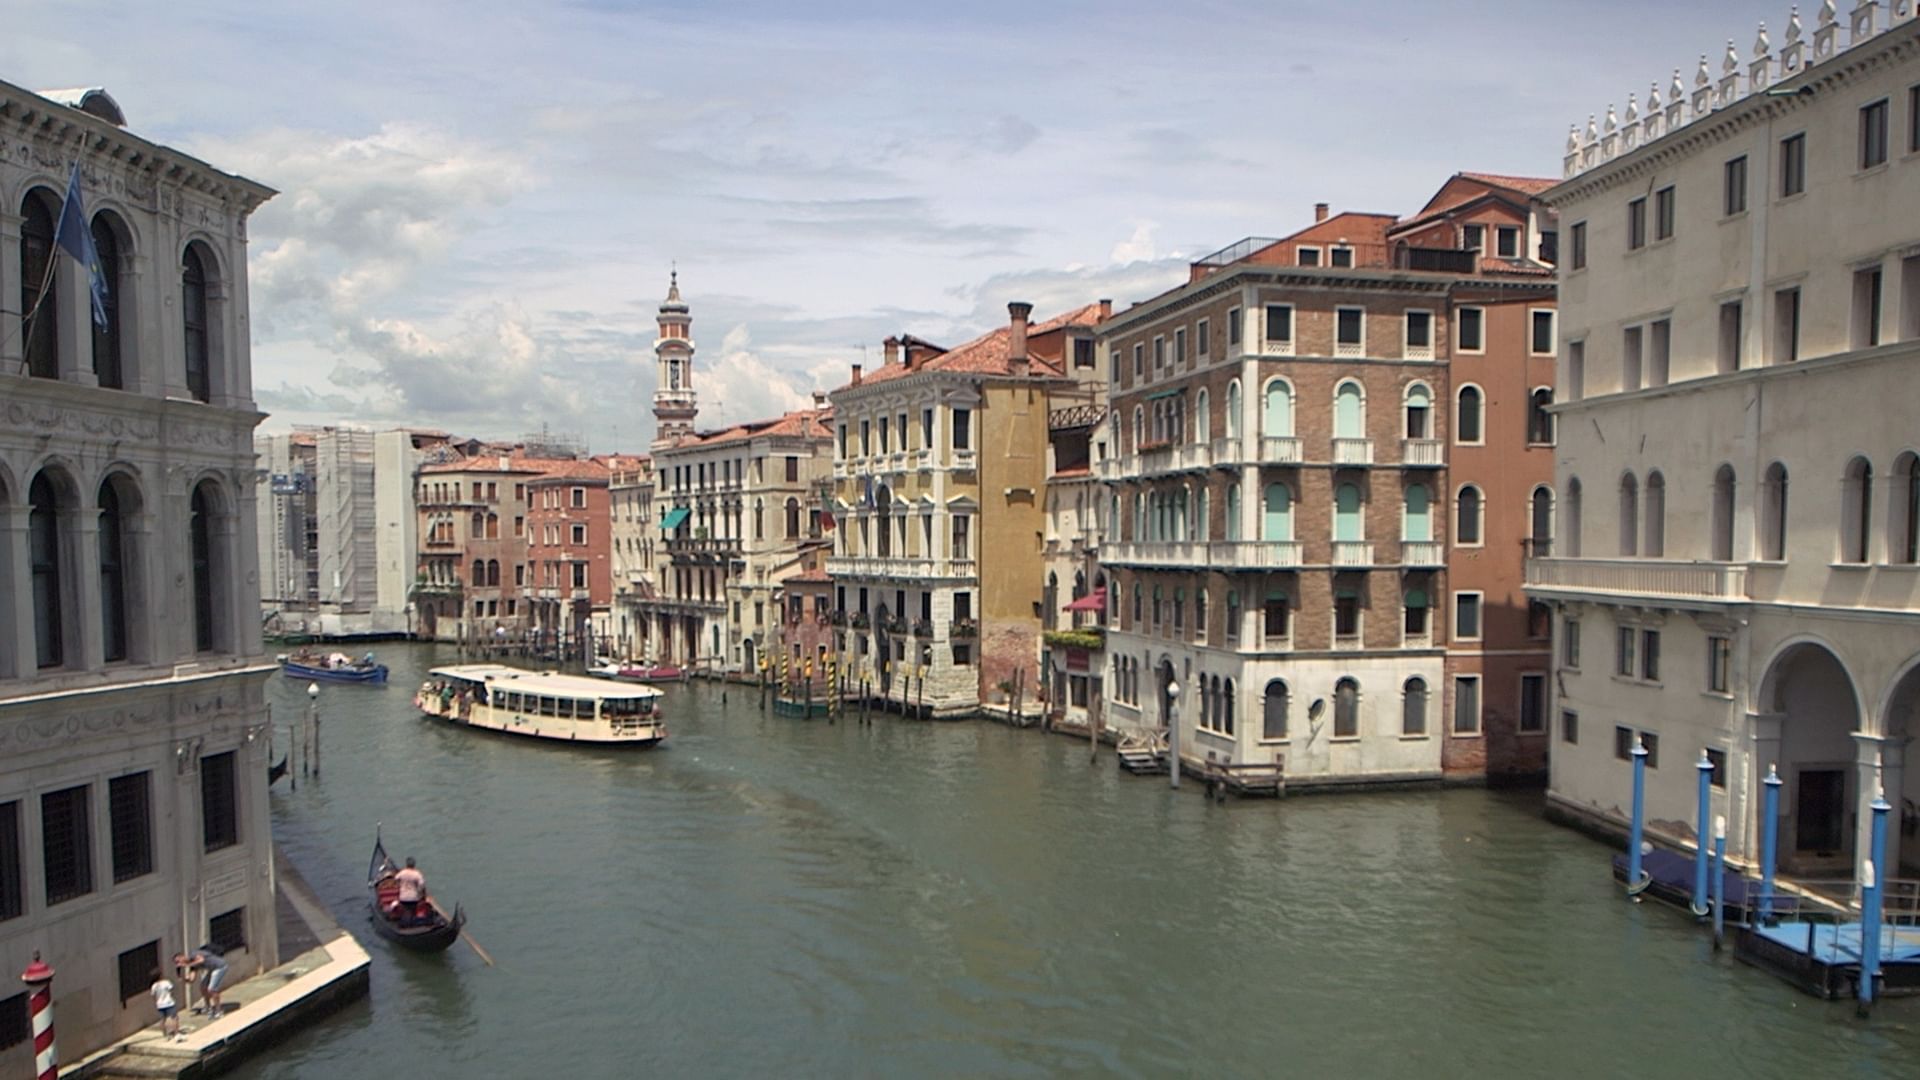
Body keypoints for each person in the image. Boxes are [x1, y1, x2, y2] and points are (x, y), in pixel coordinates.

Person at [175, 945, 229, 1019]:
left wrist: (186, 964)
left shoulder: (194, 954)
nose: (179, 963)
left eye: (178, 961)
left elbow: (201, 960)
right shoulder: (192, 966)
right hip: (212, 969)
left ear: (182, 957)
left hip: (220, 967)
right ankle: (208, 1007)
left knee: (211, 989)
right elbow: (191, 979)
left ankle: (219, 1011)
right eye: (176, 963)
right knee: (203, 987)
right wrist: (183, 979)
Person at [150, 967, 181, 1041]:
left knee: (163, 1019)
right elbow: (171, 991)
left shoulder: (154, 986)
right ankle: (176, 1034)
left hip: (160, 1005)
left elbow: (154, 996)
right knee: (174, 1018)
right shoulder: (166, 982)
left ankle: (165, 1035)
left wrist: (157, 1003)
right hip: (169, 1003)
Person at [395, 856, 428, 924]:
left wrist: (400, 885)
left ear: (406, 864)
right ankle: (411, 923)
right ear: (414, 865)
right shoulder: (417, 874)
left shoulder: (402, 872)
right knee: (413, 911)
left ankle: (405, 923)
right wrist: (422, 893)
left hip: (403, 897)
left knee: (406, 910)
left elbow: (396, 879)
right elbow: (422, 885)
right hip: (414, 898)